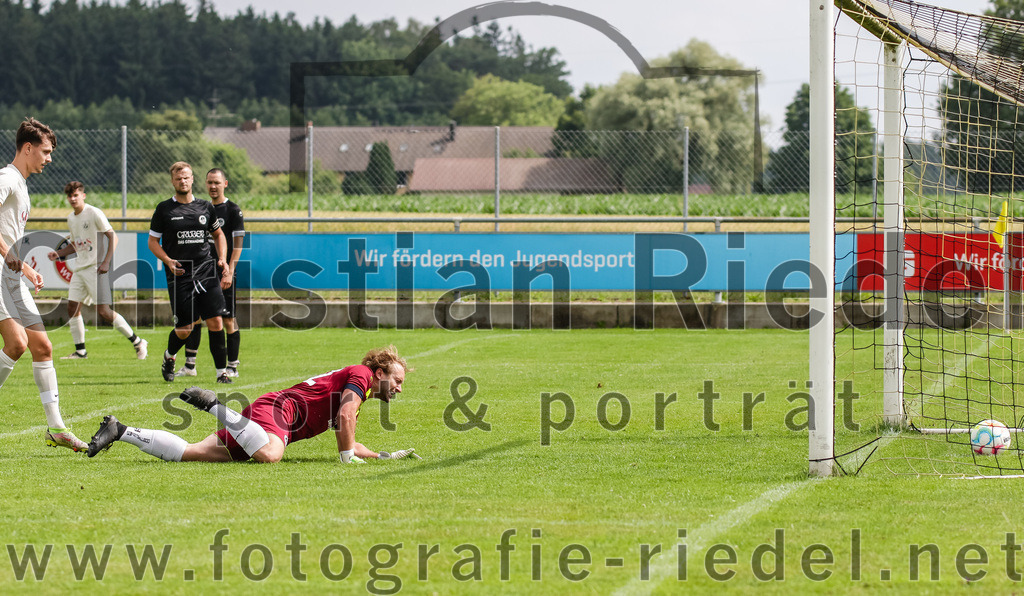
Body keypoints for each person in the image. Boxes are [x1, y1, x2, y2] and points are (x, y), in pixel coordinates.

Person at [86, 345, 419, 463]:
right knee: (271, 455)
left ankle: (121, 430)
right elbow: (345, 417)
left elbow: (348, 435)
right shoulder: (360, 376)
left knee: (192, 453)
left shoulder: (356, 389)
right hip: (278, 411)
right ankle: (214, 404)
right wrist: (347, 458)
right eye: (398, 381)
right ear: (379, 373)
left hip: (264, 421)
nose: (399, 390)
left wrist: (383, 456)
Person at [0, 118, 87, 451]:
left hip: (10, 275)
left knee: (37, 347)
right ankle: (56, 426)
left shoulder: (21, 184)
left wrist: (24, 269)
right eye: (45, 152)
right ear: (27, 148)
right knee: (19, 344)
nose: (49, 158)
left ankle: (56, 428)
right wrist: (12, 259)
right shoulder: (8, 178)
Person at [148, 161, 232, 384]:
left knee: (216, 322)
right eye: (178, 178)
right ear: (172, 181)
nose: (182, 181)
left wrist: (221, 259)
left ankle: (221, 373)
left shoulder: (205, 207)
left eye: (186, 177)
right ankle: (169, 356)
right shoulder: (164, 209)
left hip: (206, 270)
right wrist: (167, 260)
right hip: (180, 274)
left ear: (192, 179)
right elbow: (153, 242)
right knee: (185, 329)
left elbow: (219, 235)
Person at [48, 181, 148, 360]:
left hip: (97, 268)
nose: (72, 198)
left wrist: (106, 262)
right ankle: (81, 351)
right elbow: (76, 244)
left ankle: (138, 342)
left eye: (76, 195)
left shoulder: (94, 213)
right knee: (72, 307)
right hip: (80, 269)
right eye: (70, 196)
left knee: (104, 312)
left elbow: (112, 236)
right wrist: (59, 253)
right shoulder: (71, 218)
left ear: (83, 196)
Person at [174, 168, 245, 379]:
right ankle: (190, 365)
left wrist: (229, 271)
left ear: (225, 184)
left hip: (223, 272)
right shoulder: (201, 208)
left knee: (228, 320)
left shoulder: (232, 210)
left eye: (217, 182)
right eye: (209, 183)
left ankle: (232, 365)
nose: (213, 186)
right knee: (194, 318)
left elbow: (238, 245)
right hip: (201, 273)